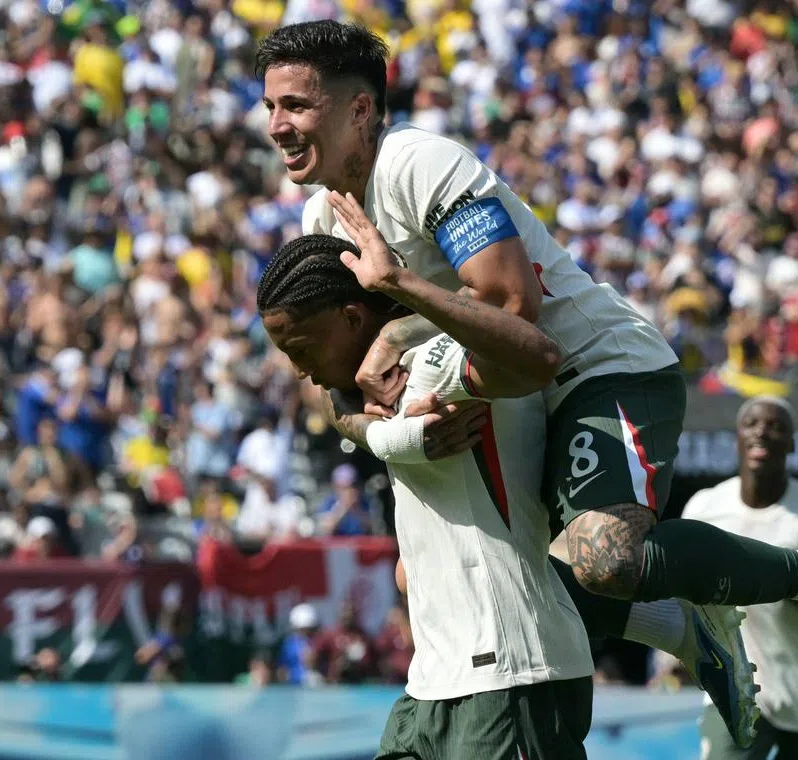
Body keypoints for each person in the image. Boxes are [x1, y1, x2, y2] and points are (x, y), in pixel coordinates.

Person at [254, 21, 798, 696]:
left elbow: (512, 304)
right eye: (269, 108)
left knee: (603, 557)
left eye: (296, 105)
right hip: (511, 403)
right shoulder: (324, 223)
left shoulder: (419, 164)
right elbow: (335, 386)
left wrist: (393, 332)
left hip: (597, 369)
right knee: (438, 583)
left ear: (362, 109)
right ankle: (685, 633)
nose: (277, 126)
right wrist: (389, 430)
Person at [257, 234, 760, 752]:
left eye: (301, 349)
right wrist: (396, 436)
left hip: (510, 674)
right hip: (432, 685)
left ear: (352, 317)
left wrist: (402, 303)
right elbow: (330, 398)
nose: (298, 369)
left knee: (606, 558)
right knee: (410, 576)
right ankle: (676, 625)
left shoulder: (430, 361)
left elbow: (535, 352)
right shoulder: (366, 388)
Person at [681, 397, 798, 760]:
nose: (762, 431)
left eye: (776, 426)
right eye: (752, 423)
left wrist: (790, 581)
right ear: (737, 438)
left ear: (791, 443)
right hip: (730, 693)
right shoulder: (704, 509)